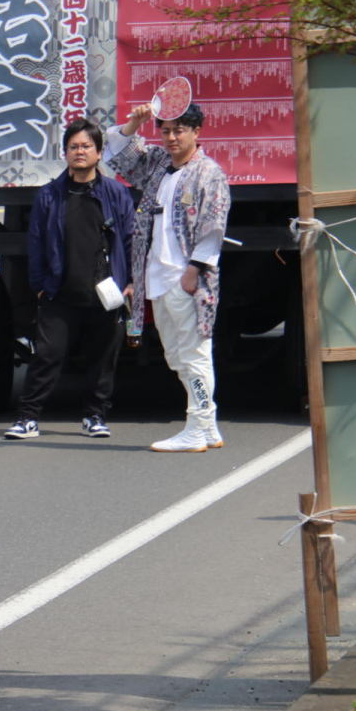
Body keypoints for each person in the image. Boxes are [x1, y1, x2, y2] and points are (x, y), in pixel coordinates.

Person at [106, 103, 229, 452]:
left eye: (180, 130)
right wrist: (135, 122)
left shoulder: (209, 173)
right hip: (158, 277)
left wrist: (193, 272)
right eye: (165, 131)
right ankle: (207, 426)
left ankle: (197, 426)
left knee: (194, 354)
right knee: (176, 356)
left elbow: (213, 228)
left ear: (196, 132)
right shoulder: (159, 165)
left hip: (187, 279)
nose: (172, 137)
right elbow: (119, 153)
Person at [4, 118, 136, 441]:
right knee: (47, 355)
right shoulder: (50, 195)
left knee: (103, 357)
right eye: (74, 146)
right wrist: (39, 285)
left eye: (86, 146)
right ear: (65, 153)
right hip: (59, 292)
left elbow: (132, 239)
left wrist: (131, 281)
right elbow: (35, 243)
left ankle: (95, 416)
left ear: (99, 152)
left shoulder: (116, 193)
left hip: (107, 292)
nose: (80, 152)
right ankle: (28, 418)